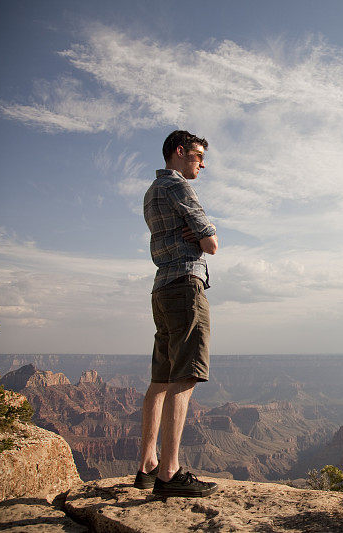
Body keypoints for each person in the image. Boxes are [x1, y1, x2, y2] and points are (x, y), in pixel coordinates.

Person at [135, 130, 218, 497]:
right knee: (185, 376)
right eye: (198, 155)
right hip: (185, 285)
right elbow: (211, 243)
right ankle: (169, 473)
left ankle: (147, 466)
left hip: (162, 288)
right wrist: (201, 235)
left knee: (162, 379)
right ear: (179, 152)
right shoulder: (179, 187)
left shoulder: (151, 192)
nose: (202, 163)